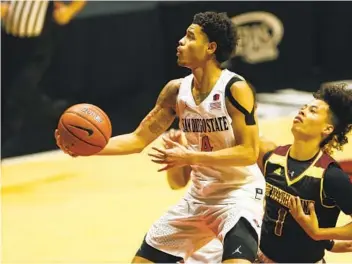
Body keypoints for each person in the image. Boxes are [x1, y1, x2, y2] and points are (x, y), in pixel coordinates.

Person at [56, 11, 265, 263]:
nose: (180, 42)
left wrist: (190, 156)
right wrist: (86, 149)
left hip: (238, 195)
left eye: (189, 37)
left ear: (210, 47)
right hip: (199, 197)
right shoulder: (176, 90)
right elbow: (137, 140)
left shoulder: (235, 89)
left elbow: (248, 152)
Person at [165, 83, 352, 263]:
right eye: (303, 107)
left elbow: (310, 226)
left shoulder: (329, 175)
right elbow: (278, 214)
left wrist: (321, 235)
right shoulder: (273, 158)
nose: (302, 111)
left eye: (312, 111)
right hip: (255, 254)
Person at [1, 0, 86, 157]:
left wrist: (69, 11)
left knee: (17, 95)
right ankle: (60, 115)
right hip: (7, 41)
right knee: (15, 94)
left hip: (36, 46)